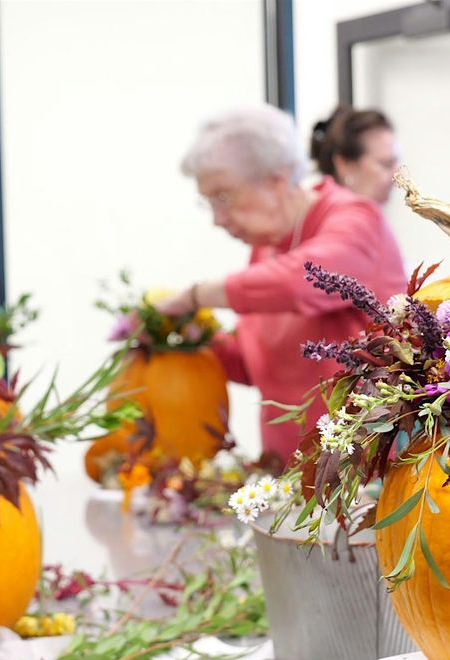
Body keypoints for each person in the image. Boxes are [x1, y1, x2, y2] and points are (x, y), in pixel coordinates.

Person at [155, 104, 407, 463]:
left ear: (276, 177)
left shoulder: (355, 219)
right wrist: (185, 335)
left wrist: (198, 296)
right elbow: (253, 364)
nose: (217, 218)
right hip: (286, 477)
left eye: (223, 196)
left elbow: (301, 281)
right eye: (208, 202)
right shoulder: (265, 250)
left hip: (360, 477)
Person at [310, 104, 400, 206]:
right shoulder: (344, 218)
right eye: (385, 164)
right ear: (345, 164)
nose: (396, 175)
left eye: (395, 162)